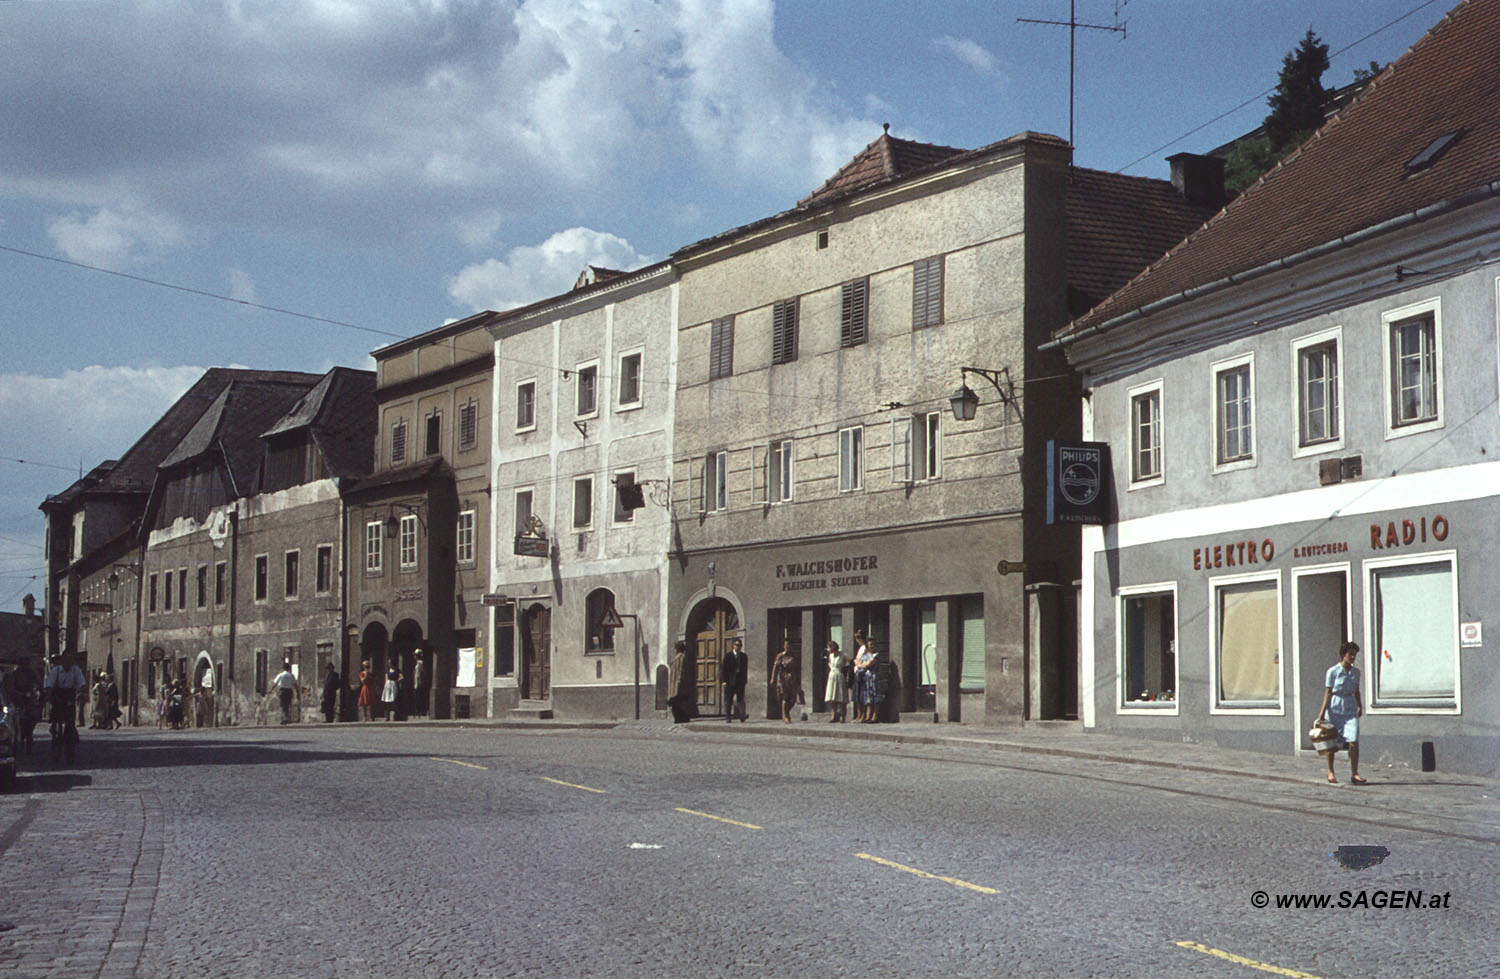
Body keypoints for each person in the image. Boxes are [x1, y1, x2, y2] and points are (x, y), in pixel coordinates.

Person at [1316, 641, 1366, 785]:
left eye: (1354, 655)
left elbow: (1357, 690)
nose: (1352, 657)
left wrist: (1359, 706)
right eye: (1350, 654)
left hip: (1350, 708)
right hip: (1335, 707)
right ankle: (1330, 771)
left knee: (1354, 741)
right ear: (1343, 655)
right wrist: (1322, 712)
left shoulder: (1356, 672)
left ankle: (1355, 773)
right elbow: (1328, 692)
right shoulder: (1332, 672)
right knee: (1331, 742)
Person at [855, 635, 883, 723]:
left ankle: (874, 716)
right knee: (867, 697)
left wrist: (862, 664)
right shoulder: (865, 655)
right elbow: (857, 662)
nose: (872, 646)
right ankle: (868, 716)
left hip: (873, 677)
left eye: (874, 644)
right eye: (870, 644)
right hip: (866, 678)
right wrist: (861, 664)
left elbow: (868, 664)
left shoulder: (876, 655)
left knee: (875, 697)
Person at [771, 639, 798, 724]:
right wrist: (773, 678)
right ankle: (786, 715)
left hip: (792, 679)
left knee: (793, 699)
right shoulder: (780, 656)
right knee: (785, 697)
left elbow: (797, 668)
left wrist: (798, 679)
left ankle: (785, 711)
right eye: (786, 645)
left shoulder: (793, 656)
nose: (787, 647)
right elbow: (775, 667)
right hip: (782, 679)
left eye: (789, 645)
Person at [666, 640, 694, 723]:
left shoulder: (682, 658)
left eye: (675, 648)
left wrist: (679, 682)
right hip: (674, 683)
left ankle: (681, 718)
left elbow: (682, 671)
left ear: (678, 649)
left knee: (679, 701)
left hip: (679, 684)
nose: (674, 650)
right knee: (675, 701)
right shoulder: (677, 658)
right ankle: (678, 718)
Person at [721, 638, 748, 722]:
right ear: (733, 646)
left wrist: (744, 680)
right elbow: (724, 669)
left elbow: (745, 669)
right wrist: (724, 681)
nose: (739, 647)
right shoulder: (728, 656)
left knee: (740, 699)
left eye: (740, 645)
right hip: (730, 680)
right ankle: (728, 716)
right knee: (728, 699)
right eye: (737, 645)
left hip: (740, 681)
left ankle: (742, 715)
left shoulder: (744, 656)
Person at [824, 640, 849, 723]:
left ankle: (842, 716)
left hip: (839, 675)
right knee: (832, 697)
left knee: (840, 697)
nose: (828, 649)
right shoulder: (830, 656)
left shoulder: (842, 655)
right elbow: (829, 663)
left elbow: (849, 662)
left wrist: (845, 671)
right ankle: (834, 715)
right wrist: (831, 667)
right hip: (832, 675)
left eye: (829, 647)